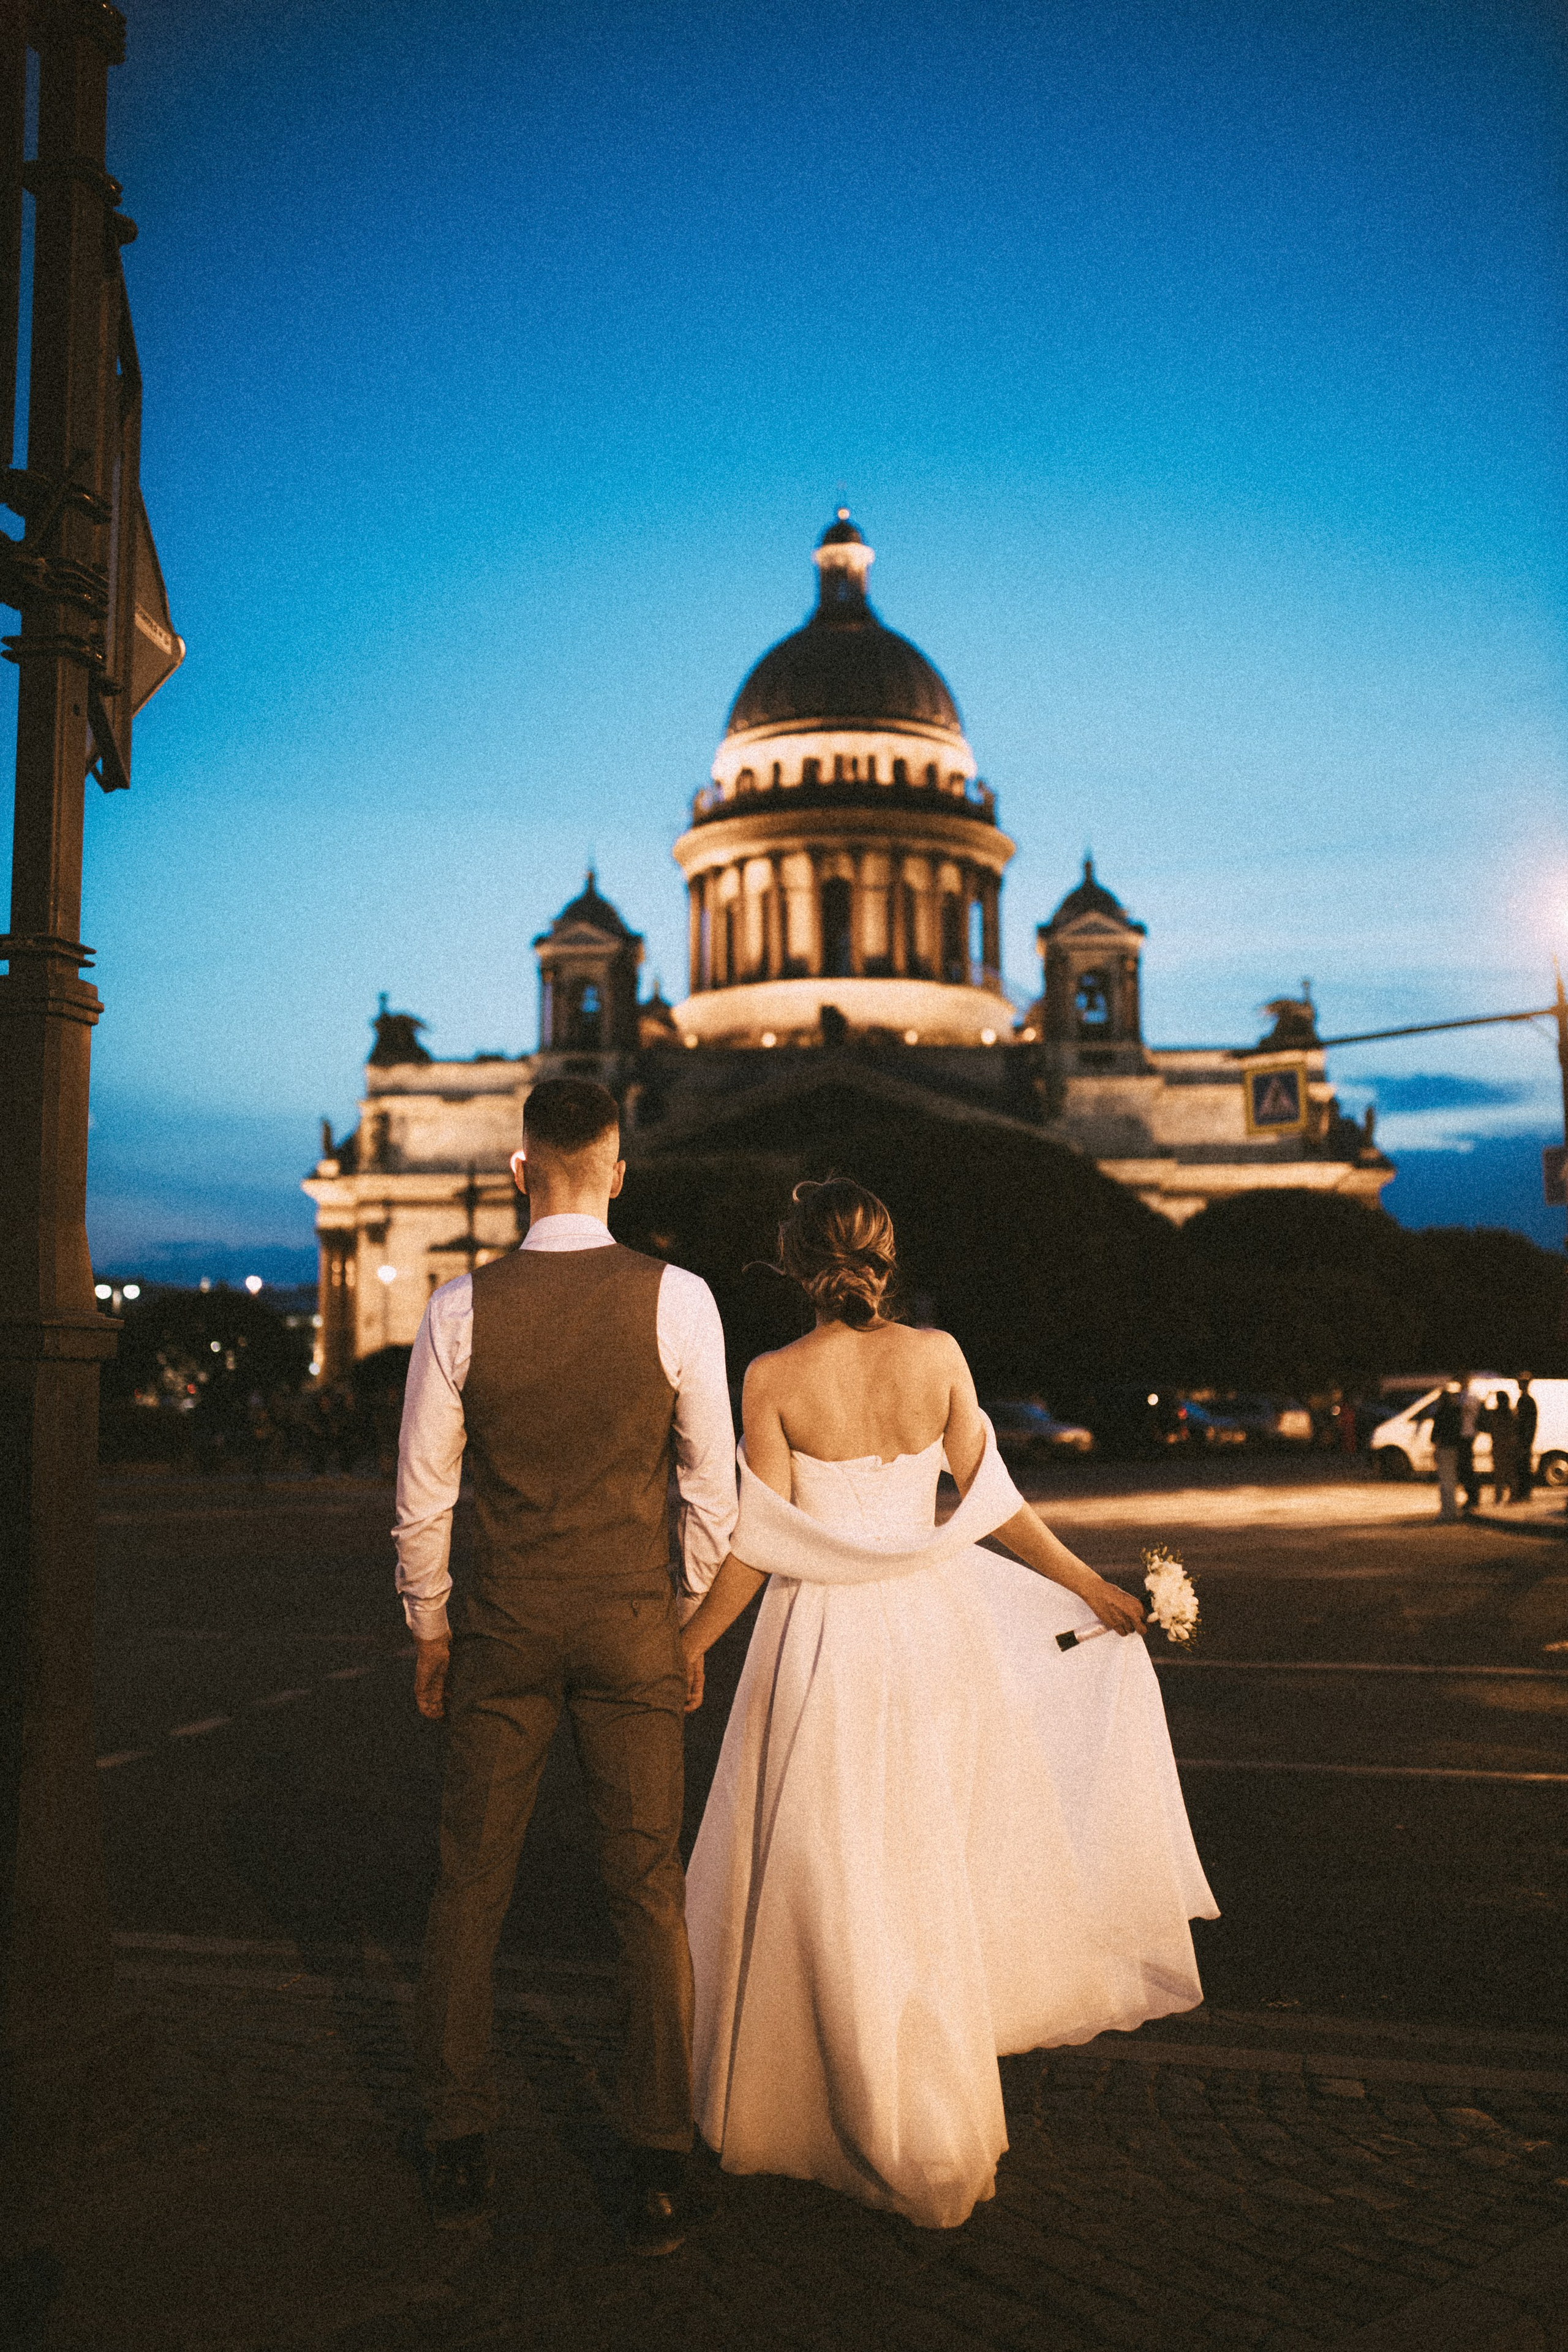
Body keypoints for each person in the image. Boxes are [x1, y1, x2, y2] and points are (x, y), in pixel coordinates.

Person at [677, 1179, 1217, 2230]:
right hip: (931, 1637)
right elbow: (997, 1506)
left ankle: (826, 2103)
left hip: (820, 1641)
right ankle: (932, 2118)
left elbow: (753, 1542)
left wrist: (687, 1644)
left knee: (824, 1873)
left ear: (792, 1264)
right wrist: (1089, 1585)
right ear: (888, 1255)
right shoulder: (941, 1358)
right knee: (926, 1869)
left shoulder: (776, 1375)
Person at [394, 1078, 736, 2252]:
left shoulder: (458, 1307)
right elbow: (712, 1489)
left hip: (504, 1624)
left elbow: (423, 1498)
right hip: (630, 1623)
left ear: (516, 1168)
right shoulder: (679, 1299)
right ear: (619, 1168)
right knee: (647, 1893)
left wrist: (430, 1627)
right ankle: (656, 2162)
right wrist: (684, 1621)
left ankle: (456, 2142)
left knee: (469, 1884)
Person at [1417, 1381, 1465, 1521]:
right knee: (1452, 1480)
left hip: (1444, 1448)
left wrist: (1436, 1445)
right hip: (1455, 1448)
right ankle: (1453, 1510)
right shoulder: (1456, 1412)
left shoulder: (1441, 1413)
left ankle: (1446, 1511)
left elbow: (1435, 1435)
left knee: (1445, 1482)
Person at [1481, 1391, 1517, 1509]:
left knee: (1499, 1474)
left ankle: (1499, 1497)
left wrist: (1486, 1398)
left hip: (1499, 1446)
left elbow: (1485, 1419)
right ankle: (1512, 1496)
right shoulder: (1511, 1413)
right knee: (1510, 1472)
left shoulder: (1496, 1413)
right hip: (1509, 1446)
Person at [1458, 1377, 1483, 1512]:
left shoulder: (1471, 1397)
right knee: (1464, 1467)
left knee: (1467, 1466)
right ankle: (1471, 1495)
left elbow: (1474, 1414)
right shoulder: (1461, 1396)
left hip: (1468, 1434)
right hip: (1464, 1434)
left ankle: (1474, 1496)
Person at [1514, 1377, 1539, 1502]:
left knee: (1524, 1467)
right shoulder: (1524, 1400)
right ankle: (1524, 1493)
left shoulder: (1527, 1401)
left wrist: (1526, 1442)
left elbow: (1529, 1424)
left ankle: (1525, 1493)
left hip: (1524, 1440)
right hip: (1523, 1439)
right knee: (1522, 1467)